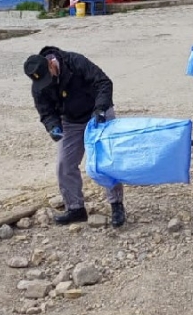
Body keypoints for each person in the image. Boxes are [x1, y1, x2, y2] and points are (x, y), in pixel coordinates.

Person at [24, 47, 126, 228]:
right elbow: (46, 111)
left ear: (50, 64)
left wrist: (101, 109)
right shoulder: (39, 85)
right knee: (64, 165)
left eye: (49, 77)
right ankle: (75, 209)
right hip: (70, 121)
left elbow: (104, 82)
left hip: (97, 113)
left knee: (105, 160)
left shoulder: (75, 62)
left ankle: (116, 204)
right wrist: (53, 127)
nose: (48, 83)